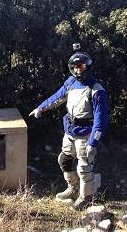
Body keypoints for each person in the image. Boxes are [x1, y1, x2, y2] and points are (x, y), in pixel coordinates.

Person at [29, 48, 109, 210]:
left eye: (81, 66)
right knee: (64, 160)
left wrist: (93, 141)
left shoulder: (96, 90)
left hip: (86, 132)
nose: (78, 69)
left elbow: (101, 118)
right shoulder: (70, 83)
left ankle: (86, 197)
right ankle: (73, 189)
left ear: (87, 67)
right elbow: (57, 97)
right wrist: (40, 108)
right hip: (70, 130)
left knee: (84, 166)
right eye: (75, 67)